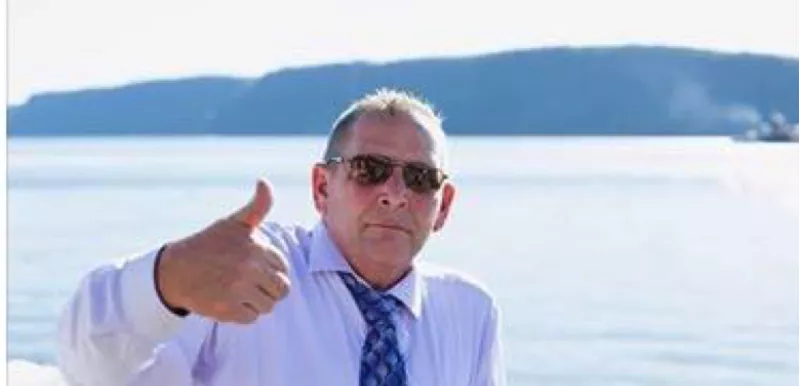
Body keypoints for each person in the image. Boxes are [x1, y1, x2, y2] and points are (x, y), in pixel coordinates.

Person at [57, 88, 506, 385]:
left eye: (420, 177)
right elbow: (93, 369)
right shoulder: (242, 272)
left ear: (443, 206)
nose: (394, 194)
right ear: (321, 188)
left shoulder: (470, 311)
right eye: (370, 170)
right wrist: (165, 282)